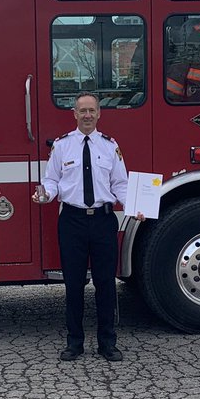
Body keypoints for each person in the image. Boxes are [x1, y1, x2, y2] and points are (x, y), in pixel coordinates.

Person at [35, 92, 143, 362]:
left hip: (103, 222)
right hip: (72, 221)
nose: (86, 115)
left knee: (105, 284)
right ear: (74, 114)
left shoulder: (109, 146)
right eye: (82, 111)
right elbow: (52, 181)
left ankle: (108, 343)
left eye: (91, 110)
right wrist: (45, 195)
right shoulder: (62, 146)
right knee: (73, 285)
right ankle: (74, 343)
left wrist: (135, 206)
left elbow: (120, 184)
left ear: (99, 114)